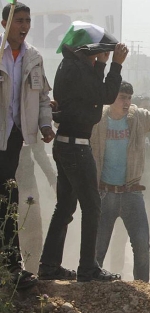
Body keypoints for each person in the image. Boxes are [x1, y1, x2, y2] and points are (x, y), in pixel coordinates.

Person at [38, 21, 128, 282]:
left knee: (64, 208)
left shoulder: (71, 66)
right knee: (92, 207)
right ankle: (88, 268)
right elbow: (107, 93)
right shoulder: (77, 70)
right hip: (76, 147)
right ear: (86, 49)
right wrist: (116, 64)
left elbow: (93, 90)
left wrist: (100, 62)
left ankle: (49, 266)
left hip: (67, 144)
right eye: (96, 51)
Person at [92, 81, 150, 282]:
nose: (126, 102)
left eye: (129, 98)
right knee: (98, 247)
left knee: (142, 245)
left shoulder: (138, 116)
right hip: (105, 192)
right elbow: (71, 123)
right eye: (122, 97)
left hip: (132, 192)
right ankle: (92, 288)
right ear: (111, 97)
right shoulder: (97, 117)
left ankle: (142, 288)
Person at [0, 1, 54, 289]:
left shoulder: (33, 57)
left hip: (14, 139)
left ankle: (11, 267)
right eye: (18, 20)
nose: (24, 26)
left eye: (27, 20)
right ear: (4, 24)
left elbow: (42, 98)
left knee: (9, 200)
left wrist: (45, 124)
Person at [107, 95, 150, 275]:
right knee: (119, 234)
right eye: (145, 108)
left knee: (145, 234)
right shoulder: (124, 127)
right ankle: (115, 272)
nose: (148, 112)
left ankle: (144, 277)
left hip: (147, 191)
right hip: (123, 189)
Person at [16, 134, 57, 274]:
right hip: (7, 186)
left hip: (27, 185)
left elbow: (39, 151)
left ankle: (32, 275)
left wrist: (53, 180)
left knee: (33, 234)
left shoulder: (28, 116)